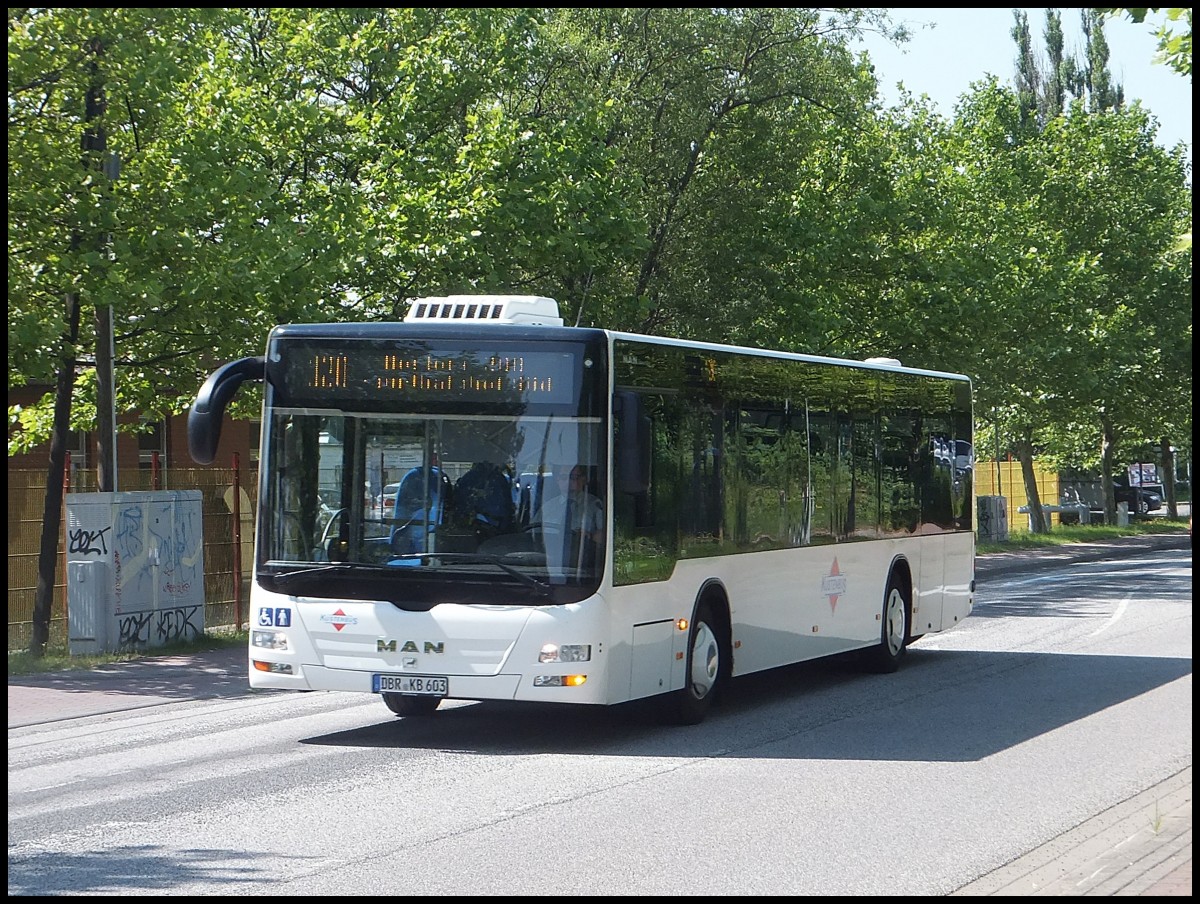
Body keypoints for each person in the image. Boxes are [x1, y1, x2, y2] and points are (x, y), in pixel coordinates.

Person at [534, 464, 603, 567]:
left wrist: (590, 536)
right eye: (563, 477)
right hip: (547, 561)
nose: (569, 482)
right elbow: (531, 535)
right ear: (557, 480)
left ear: (584, 479)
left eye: (574, 477)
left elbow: (606, 535)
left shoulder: (595, 505)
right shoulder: (547, 507)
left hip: (583, 562)